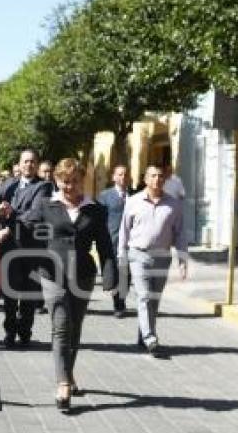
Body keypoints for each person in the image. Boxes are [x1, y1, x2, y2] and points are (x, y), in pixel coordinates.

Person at [23, 158, 117, 412]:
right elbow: (26, 225)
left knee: (75, 327)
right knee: (61, 326)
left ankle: (69, 372)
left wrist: (110, 273)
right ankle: (63, 383)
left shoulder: (95, 209)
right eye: (65, 181)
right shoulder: (45, 205)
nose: (69, 186)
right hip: (51, 273)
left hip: (83, 275)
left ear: (81, 181)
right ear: (56, 180)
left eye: (74, 181)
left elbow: (105, 244)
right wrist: (8, 224)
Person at [118, 164, 189, 356]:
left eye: (160, 176)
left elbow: (180, 234)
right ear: (145, 179)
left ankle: (143, 335)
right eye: (153, 176)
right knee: (145, 296)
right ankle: (150, 338)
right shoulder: (133, 201)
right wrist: (121, 256)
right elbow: (124, 230)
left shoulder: (173, 205)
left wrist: (182, 261)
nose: (157, 179)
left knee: (154, 299)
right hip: (138, 254)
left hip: (162, 257)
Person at [0, 149, 54, 347]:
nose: (29, 165)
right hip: (9, 249)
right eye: (25, 161)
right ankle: (10, 331)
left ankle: (25, 331)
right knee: (9, 293)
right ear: (19, 165)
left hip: (32, 249)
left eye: (32, 161)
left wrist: (9, 221)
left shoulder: (44, 186)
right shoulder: (8, 186)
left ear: (37, 165)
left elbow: (35, 215)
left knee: (30, 294)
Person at [97, 164, 133, 317]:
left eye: (125, 174)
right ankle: (117, 302)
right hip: (112, 240)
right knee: (114, 273)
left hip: (131, 242)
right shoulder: (105, 196)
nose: (122, 177)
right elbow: (99, 219)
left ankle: (121, 302)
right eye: (119, 174)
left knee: (126, 274)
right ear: (113, 177)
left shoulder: (135, 195)